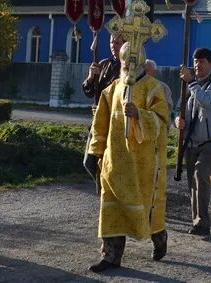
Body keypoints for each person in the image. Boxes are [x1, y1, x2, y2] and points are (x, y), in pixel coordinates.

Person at [86, 43, 170, 272]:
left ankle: (159, 236)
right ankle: (111, 256)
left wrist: (140, 115)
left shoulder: (153, 89)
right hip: (115, 161)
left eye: (133, 63)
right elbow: (100, 124)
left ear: (141, 63)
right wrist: (96, 151)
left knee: (145, 208)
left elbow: (162, 122)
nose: (129, 67)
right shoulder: (111, 90)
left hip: (142, 164)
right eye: (125, 63)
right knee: (111, 208)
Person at [174, 47, 211, 237]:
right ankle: (196, 220)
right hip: (191, 140)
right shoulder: (187, 86)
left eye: (202, 61)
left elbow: (207, 102)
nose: (198, 65)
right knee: (192, 182)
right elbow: (178, 110)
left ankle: (203, 223)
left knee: (200, 176)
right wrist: (177, 121)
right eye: (196, 61)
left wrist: (191, 83)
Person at [82, 32, 126, 105]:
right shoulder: (103, 64)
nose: (113, 46)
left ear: (124, 45)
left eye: (117, 43)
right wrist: (90, 78)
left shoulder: (128, 67)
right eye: (111, 42)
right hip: (101, 111)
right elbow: (90, 93)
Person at [144, 59, 173, 129]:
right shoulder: (137, 87)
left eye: (147, 70)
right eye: (143, 70)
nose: (144, 73)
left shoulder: (163, 88)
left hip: (158, 126)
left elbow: (167, 108)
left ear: (155, 72)